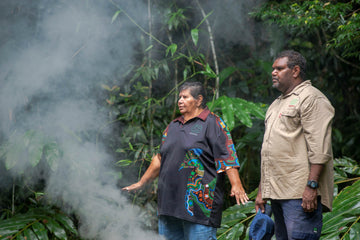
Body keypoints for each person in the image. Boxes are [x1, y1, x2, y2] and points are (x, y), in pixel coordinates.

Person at [123, 81, 249, 240]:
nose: (180, 100)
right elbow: (160, 158)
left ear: (199, 100)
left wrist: (236, 184)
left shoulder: (212, 123)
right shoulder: (173, 126)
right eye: (179, 97)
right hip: (169, 205)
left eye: (185, 97)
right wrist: (142, 183)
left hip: (199, 207)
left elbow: (227, 156)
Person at [255, 50, 334, 240]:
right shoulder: (276, 104)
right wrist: (261, 192)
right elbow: (270, 153)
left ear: (295, 70)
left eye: (279, 69)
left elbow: (320, 149)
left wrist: (311, 186)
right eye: (273, 69)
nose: (273, 72)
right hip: (276, 192)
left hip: (300, 194)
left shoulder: (312, 98)